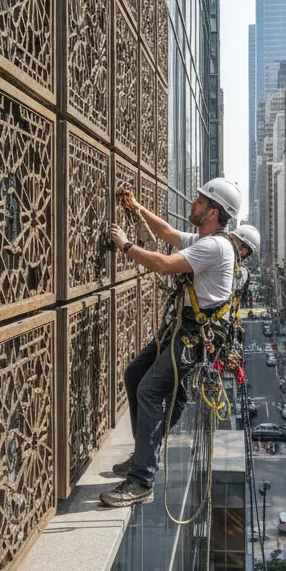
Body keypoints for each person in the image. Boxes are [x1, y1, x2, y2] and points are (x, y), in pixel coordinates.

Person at [103, 178, 245, 507]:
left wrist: (125, 245)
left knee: (150, 390)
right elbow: (167, 232)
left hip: (191, 335)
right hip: (181, 328)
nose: (193, 204)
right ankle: (143, 453)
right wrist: (136, 208)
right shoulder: (208, 239)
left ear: (212, 212)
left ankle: (141, 480)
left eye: (199, 201)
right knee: (135, 375)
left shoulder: (214, 247)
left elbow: (164, 264)